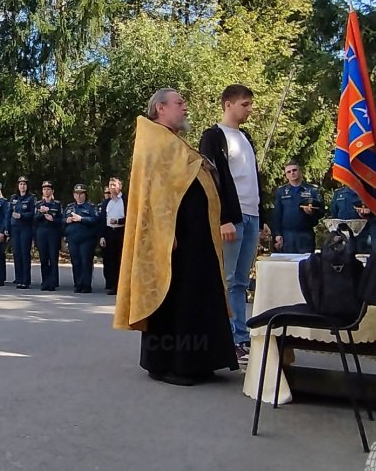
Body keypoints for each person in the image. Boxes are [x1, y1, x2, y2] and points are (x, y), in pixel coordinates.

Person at [114, 88, 238, 386]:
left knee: (195, 297)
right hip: (173, 240)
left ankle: (198, 361)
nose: (185, 108)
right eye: (179, 103)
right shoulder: (154, 142)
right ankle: (167, 364)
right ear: (160, 108)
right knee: (174, 299)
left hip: (195, 239)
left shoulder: (172, 141)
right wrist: (164, 235)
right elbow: (156, 196)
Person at [198, 84, 266, 364]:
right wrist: (223, 218)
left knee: (240, 280)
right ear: (228, 104)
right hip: (231, 219)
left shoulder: (246, 137)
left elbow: (252, 178)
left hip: (252, 215)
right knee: (227, 280)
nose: (249, 110)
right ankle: (230, 338)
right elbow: (213, 181)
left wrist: (264, 219)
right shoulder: (213, 137)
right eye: (245, 104)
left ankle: (240, 335)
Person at [271, 161, 325, 254]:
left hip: (305, 235)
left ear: (300, 171)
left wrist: (312, 213)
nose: (292, 173)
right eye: (289, 172)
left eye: (294, 170)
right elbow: (276, 215)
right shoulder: (281, 192)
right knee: (288, 266)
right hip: (287, 236)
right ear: (286, 175)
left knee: (306, 265)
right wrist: (277, 234)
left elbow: (321, 211)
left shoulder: (312, 190)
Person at [65, 184, 98, 293]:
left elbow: (95, 220)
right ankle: (78, 284)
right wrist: (66, 220)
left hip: (86, 239)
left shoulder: (90, 207)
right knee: (76, 262)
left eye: (81, 194)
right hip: (72, 239)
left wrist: (82, 219)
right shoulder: (69, 207)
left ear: (85, 195)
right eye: (77, 194)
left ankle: (86, 285)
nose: (79, 196)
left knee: (86, 261)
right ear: (74, 195)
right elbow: (61, 220)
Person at [34, 181, 63, 291]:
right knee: (43, 258)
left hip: (53, 234)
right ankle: (45, 281)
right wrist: (41, 213)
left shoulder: (57, 204)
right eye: (44, 189)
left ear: (52, 191)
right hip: (41, 234)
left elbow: (62, 220)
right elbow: (34, 220)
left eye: (48, 189)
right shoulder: (38, 204)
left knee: (53, 258)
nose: (46, 191)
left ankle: (53, 282)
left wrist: (53, 219)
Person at [99, 177, 126, 295]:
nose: (112, 187)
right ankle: (110, 284)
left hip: (121, 232)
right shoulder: (106, 202)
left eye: (114, 185)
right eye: (110, 185)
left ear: (120, 186)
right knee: (109, 259)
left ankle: (120, 285)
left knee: (120, 259)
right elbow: (101, 221)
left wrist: (119, 221)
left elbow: (131, 217)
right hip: (109, 233)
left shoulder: (125, 200)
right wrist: (101, 236)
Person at [9, 177, 35, 289]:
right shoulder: (13, 198)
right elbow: (8, 213)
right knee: (16, 254)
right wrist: (6, 228)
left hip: (26, 228)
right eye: (20, 184)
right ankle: (18, 278)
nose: (22, 186)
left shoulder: (31, 198)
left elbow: (33, 213)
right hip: (15, 229)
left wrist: (22, 216)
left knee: (25, 253)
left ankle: (25, 279)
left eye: (24, 184)